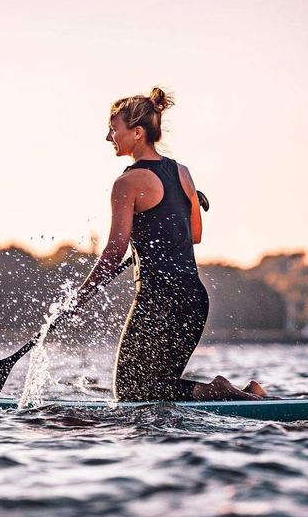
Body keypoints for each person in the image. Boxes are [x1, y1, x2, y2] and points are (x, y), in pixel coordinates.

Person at [76, 88, 268, 401]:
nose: (109, 138)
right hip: (193, 300)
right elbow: (193, 234)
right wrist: (185, 204)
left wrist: (79, 295)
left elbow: (113, 252)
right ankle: (243, 394)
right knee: (153, 389)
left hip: (160, 300)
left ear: (137, 133)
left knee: (130, 392)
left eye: (114, 130)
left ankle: (217, 391)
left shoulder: (127, 183)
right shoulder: (182, 172)